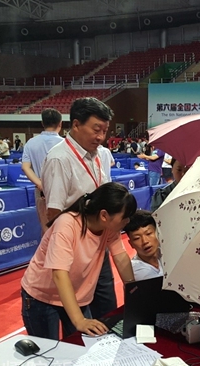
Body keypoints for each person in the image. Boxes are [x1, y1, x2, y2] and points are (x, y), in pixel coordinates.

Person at [20, 182, 136, 340]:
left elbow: (121, 256)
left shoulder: (109, 227)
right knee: (49, 351)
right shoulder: (67, 225)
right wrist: (79, 320)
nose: (127, 221)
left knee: (83, 345)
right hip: (41, 297)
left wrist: (135, 293)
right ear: (104, 215)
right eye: (125, 217)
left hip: (76, 296)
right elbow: (59, 274)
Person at [42, 97, 118, 320]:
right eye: (96, 129)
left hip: (99, 245)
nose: (101, 137)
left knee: (108, 312)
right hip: (76, 250)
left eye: (104, 131)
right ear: (76, 124)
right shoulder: (59, 159)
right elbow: (54, 214)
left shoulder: (99, 154)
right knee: (79, 317)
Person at [22, 108, 64, 234]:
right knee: (63, 228)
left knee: (45, 228)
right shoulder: (66, 143)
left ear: (42, 123)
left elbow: (25, 167)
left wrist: (40, 184)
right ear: (60, 124)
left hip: (41, 191)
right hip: (63, 191)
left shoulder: (30, 143)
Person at [124, 210, 163, 281]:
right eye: (137, 238)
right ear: (131, 244)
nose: (145, 241)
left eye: (148, 233)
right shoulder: (136, 270)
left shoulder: (166, 253)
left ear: (158, 233)